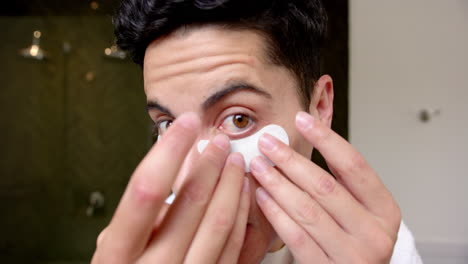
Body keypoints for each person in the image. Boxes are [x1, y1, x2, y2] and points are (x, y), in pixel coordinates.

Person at [92, 0, 422, 263]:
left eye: (238, 119)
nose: (186, 180)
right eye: (168, 124)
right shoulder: (146, 245)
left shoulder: (374, 247)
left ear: (319, 107)